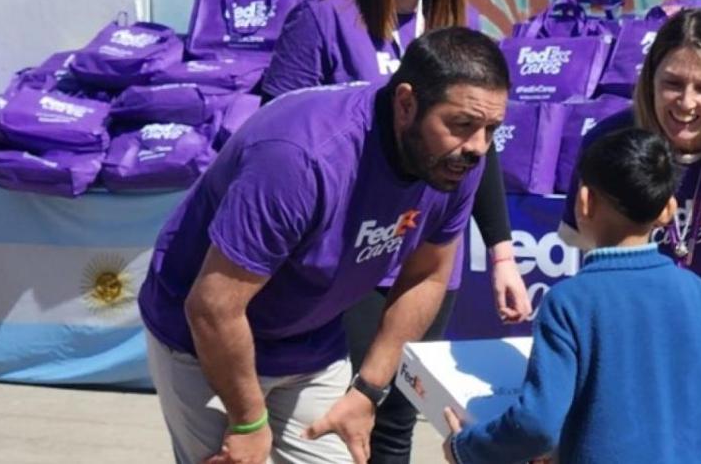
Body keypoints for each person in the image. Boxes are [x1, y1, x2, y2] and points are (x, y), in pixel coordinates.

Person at [138, 27, 510, 464]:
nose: (478, 148)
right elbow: (214, 307)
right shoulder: (301, 158)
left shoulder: (455, 162)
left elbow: (427, 276)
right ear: (406, 104)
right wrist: (247, 423)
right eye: (462, 125)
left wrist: (369, 390)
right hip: (203, 341)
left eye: (491, 129)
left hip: (309, 339)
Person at [259, 0, 531, 463]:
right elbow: (274, 133)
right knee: (347, 416)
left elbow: (480, 145)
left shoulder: (453, 32)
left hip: (428, 259)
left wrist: (502, 254)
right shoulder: (325, 16)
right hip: (345, 261)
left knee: (397, 423)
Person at [442, 127, 701, 463]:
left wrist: (466, 448)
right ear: (667, 210)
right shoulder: (697, 294)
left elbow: (537, 425)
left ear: (584, 201)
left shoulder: (569, 302)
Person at [557, 8, 701, 464]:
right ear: (650, 79)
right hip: (635, 323)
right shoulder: (610, 143)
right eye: (672, 82)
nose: (685, 102)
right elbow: (593, 256)